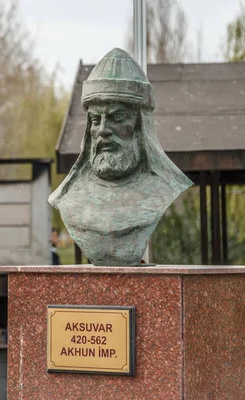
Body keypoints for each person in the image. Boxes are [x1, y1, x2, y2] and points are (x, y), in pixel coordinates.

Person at [49, 48, 193, 266]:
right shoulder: (68, 199)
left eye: (117, 117)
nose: (103, 130)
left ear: (140, 125)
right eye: (96, 120)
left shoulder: (166, 189)